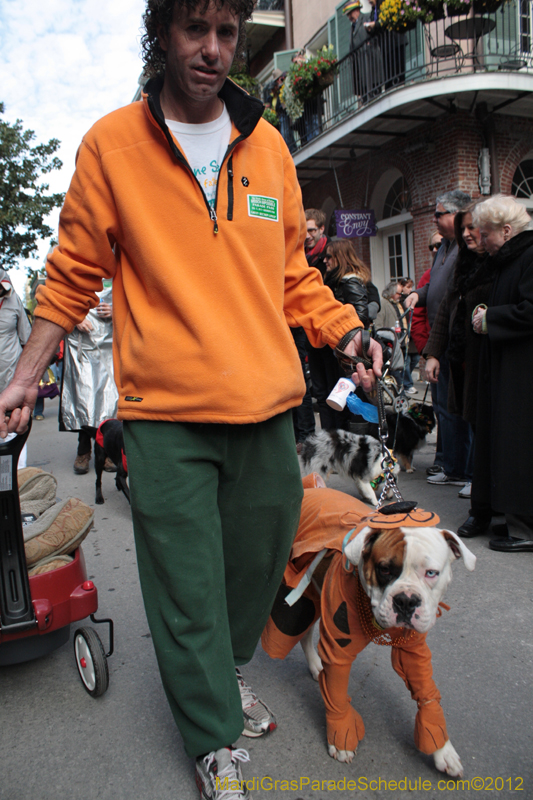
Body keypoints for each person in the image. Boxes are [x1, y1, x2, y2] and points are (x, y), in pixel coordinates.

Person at [0, 2, 382, 797]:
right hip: (165, 411)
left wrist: (346, 330)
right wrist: (26, 375)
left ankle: (221, 670)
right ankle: (211, 735)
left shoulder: (267, 146)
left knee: (255, 564)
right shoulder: (112, 145)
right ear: (163, 35)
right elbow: (71, 274)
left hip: (263, 405)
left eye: (226, 33)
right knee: (184, 580)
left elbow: (292, 276)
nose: (212, 50)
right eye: (193, 30)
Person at [462, 195, 533, 552]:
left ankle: (525, 529)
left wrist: (491, 317)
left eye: (486, 234)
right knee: (503, 443)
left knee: (518, 446)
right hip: (505, 368)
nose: (482, 240)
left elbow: (530, 309)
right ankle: (506, 517)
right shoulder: (509, 260)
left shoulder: (528, 257)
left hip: (522, 373)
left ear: (506, 231)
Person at [424, 203, 492, 504]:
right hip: (459, 356)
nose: (466, 234)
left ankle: (479, 480)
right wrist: (433, 353)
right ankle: (467, 475)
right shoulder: (462, 263)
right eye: (462, 228)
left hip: (486, 358)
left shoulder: (498, 263)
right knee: (462, 415)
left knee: (482, 421)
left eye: (471, 227)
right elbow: (445, 312)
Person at [404, 190, 472, 483]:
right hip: (440, 340)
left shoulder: (467, 248)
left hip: (458, 342)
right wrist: (418, 294)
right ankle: (452, 467)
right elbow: (434, 286)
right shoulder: (444, 247)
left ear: (457, 215)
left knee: (461, 409)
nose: (434, 218)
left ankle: (466, 471)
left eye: (439, 213)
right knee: (444, 408)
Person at [59, 282, 118, 474]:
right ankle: (83, 450)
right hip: (81, 344)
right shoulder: (75, 273)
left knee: (108, 399)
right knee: (84, 397)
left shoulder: (121, 272)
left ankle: (108, 450)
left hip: (110, 343)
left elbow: (135, 303)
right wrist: (74, 317)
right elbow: (60, 301)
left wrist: (115, 312)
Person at [0, 269, 31, 467]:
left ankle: (18, 475)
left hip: (11, 379)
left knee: (13, 429)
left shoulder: (13, 300)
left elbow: (27, 339)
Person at [343, 0, 381, 104]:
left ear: (357, 10)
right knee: (366, 102)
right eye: (348, 15)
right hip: (361, 74)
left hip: (372, 68)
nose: (349, 17)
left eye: (350, 14)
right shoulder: (351, 29)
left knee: (376, 100)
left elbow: (376, 34)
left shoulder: (367, 17)